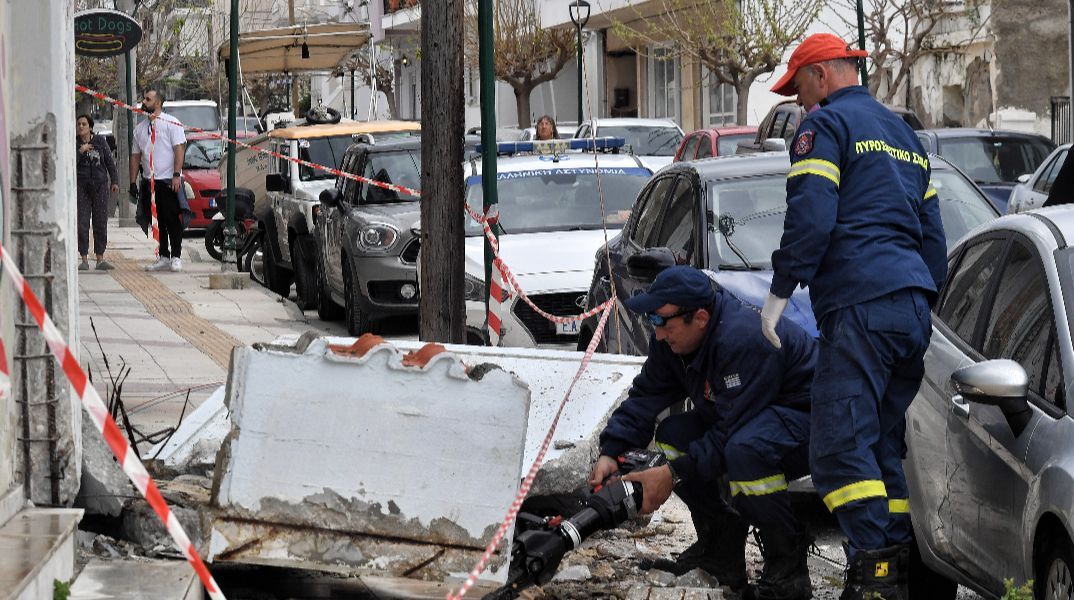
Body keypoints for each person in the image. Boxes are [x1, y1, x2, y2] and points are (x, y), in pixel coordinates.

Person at [761, 33, 946, 600]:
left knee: (839, 449)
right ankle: (890, 569)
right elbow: (933, 236)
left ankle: (875, 576)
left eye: (800, 90)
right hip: (910, 308)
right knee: (881, 447)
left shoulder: (825, 129)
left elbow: (812, 217)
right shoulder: (905, 136)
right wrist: (920, 298)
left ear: (820, 75)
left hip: (859, 307)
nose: (801, 103)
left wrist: (780, 290)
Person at [591, 266, 817, 600]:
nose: (658, 335)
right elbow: (646, 395)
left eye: (663, 323)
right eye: (651, 321)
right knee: (673, 435)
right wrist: (612, 451)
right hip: (748, 420)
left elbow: (731, 433)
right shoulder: (674, 341)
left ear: (699, 317)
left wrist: (670, 475)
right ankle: (721, 550)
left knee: (744, 453)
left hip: (808, 421)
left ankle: (788, 570)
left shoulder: (742, 339)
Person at [130, 89, 187, 272]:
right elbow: (135, 156)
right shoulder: (139, 129)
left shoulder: (171, 123)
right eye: (144, 99)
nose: (143, 102)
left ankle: (176, 256)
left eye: (148, 99)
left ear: (158, 103)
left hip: (167, 181)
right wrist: (133, 182)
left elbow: (179, 149)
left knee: (171, 220)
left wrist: (176, 175)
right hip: (149, 182)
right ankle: (163, 255)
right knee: (157, 220)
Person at [75, 114, 119, 271]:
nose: (81, 126)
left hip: (100, 186)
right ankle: (84, 258)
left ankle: (100, 258)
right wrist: (81, 150)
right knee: (82, 222)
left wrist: (114, 181)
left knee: (100, 222)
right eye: (79, 124)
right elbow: (71, 162)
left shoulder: (100, 141)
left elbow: (109, 161)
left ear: (90, 127)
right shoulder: (75, 143)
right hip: (82, 187)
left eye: (84, 124)